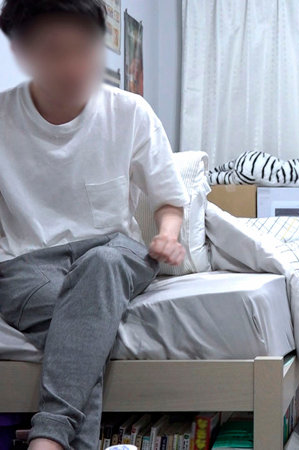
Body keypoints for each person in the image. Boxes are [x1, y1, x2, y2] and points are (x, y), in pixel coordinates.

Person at [0, 1, 189, 449]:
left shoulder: (130, 112)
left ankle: (48, 435)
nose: (72, 66)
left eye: (83, 49)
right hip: (28, 266)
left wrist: (167, 235)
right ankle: (55, 439)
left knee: (100, 268)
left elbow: (169, 200)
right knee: (80, 323)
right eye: (54, 51)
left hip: (113, 253)